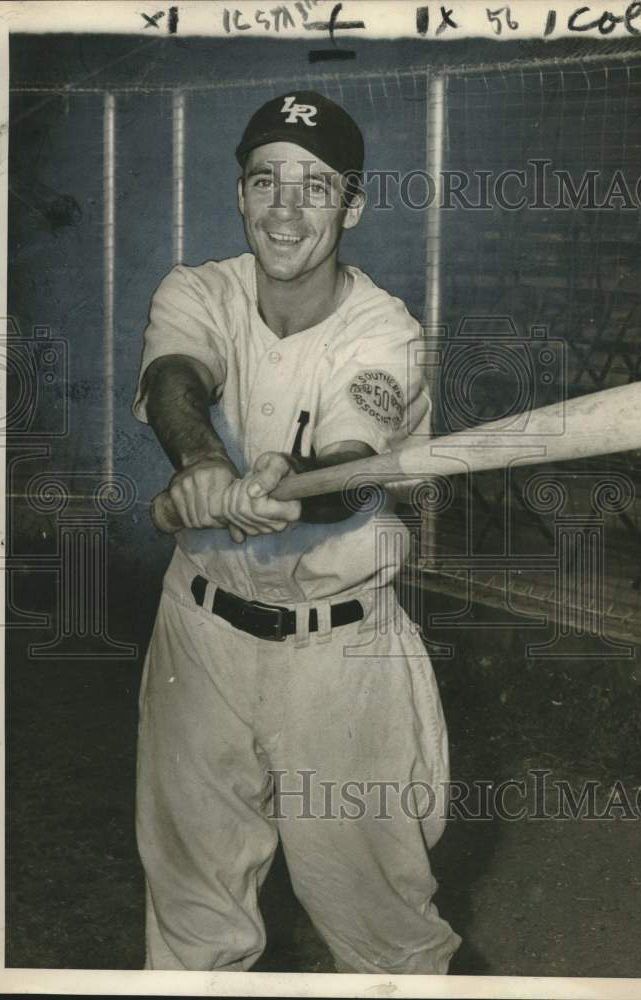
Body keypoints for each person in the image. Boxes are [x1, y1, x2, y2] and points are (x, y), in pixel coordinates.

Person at [132, 90, 461, 974]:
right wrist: (203, 466)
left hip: (338, 656)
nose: (285, 209)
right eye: (265, 182)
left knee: (385, 931)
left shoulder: (386, 330)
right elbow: (175, 375)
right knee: (193, 918)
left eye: (315, 188)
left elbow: (354, 453)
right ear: (239, 195)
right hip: (199, 636)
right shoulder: (196, 289)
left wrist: (293, 488)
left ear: (351, 206)